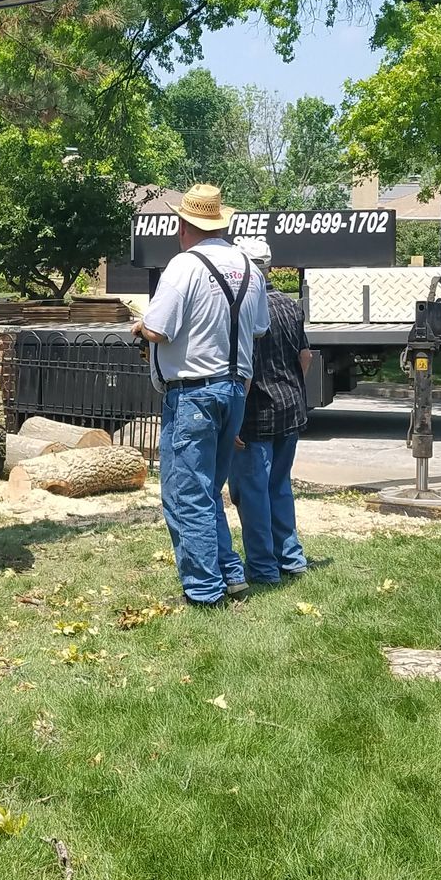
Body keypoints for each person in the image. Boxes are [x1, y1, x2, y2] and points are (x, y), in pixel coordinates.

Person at [131, 183, 269, 606]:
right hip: (234, 392)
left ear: (182, 224)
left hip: (192, 394)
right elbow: (258, 329)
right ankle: (231, 575)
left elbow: (158, 329)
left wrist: (138, 326)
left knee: (185, 493)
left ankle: (204, 591)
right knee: (209, 490)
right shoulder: (249, 267)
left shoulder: (184, 267)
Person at [229, 236, 312, 583]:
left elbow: (244, 370)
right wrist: (292, 387)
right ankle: (292, 559)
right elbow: (305, 356)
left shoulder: (242, 308)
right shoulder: (291, 306)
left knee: (252, 495)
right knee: (279, 486)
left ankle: (263, 568)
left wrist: (233, 419)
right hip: (290, 408)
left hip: (255, 413)